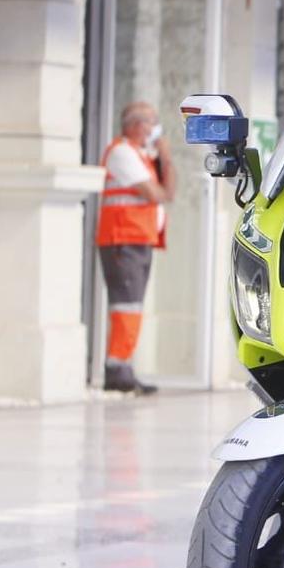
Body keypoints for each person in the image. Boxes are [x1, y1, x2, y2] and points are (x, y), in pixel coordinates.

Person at [97, 101, 173, 394]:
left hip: (138, 238)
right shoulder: (122, 152)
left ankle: (123, 364)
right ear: (136, 126)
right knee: (125, 304)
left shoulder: (143, 156)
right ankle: (116, 369)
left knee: (132, 305)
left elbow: (170, 192)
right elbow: (157, 192)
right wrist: (162, 161)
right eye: (151, 121)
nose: (155, 128)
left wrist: (165, 158)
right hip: (122, 238)